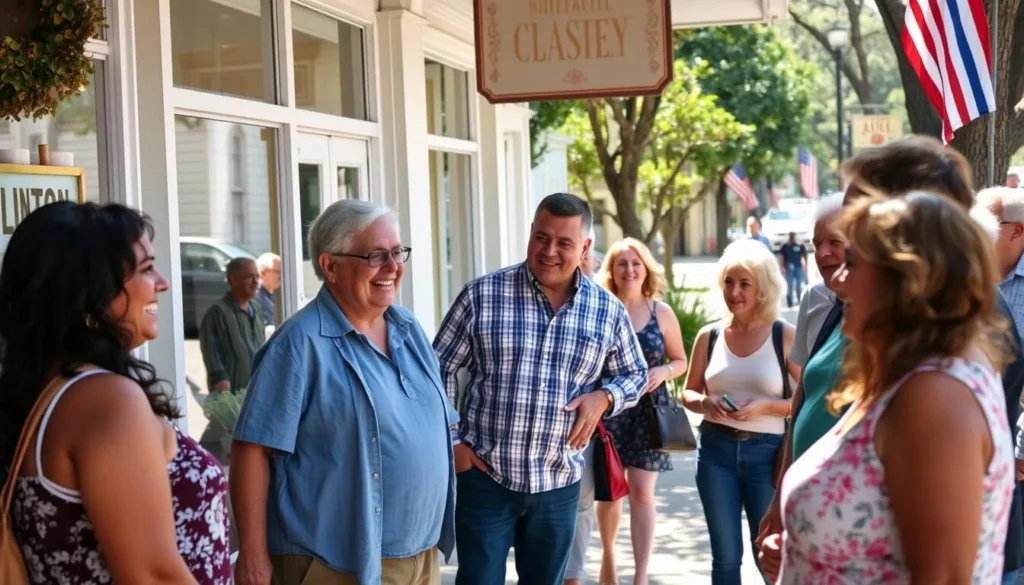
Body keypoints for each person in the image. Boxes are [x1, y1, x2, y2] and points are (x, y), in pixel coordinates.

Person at [759, 135, 1024, 585]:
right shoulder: (907, 368)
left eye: (855, 257)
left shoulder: (935, 394)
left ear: (907, 272)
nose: (837, 276)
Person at [0, 202, 230, 584]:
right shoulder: (106, 400)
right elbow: (153, 576)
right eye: (144, 270)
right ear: (89, 295)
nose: (162, 282)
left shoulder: (47, 390)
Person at [230, 200, 458, 585]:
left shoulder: (408, 328)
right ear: (330, 265)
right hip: (334, 564)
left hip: (421, 556)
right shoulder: (299, 345)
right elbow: (252, 450)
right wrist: (252, 554)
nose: (393, 267)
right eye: (375, 255)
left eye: (397, 252)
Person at [434, 193, 648, 585]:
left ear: (584, 248)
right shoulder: (482, 295)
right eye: (540, 237)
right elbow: (439, 367)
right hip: (485, 479)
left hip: (558, 483)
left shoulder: (607, 310)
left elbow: (635, 375)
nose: (549, 251)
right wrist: (451, 440)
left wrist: (604, 397)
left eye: (564, 243)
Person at [680, 239, 799, 585]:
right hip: (715, 452)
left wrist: (766, 406)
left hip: (768, 454)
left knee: (769, 555)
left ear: (762, 286)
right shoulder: (710, 335)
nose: (734, 292)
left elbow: (809, 399)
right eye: (729, 282)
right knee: (725, 558)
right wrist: (706, 403)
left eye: (744, 283)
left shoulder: (784, 336)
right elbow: (688, 391)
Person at [753, 194, 847, 556]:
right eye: (816, 244)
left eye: (835, 242)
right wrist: (781, 492)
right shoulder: (818, 299)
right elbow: (803, 392)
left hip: (846, 503)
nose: (823, 253)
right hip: (805, 492)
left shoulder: (890, 321)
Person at [593, 238, 689, 585]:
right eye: (622, 264)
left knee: (643, 493)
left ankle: (641, 576)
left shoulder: (660, 312)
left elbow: (680, 361)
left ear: (645, 268)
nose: (630, 270)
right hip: (611, 413)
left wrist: (664, 371)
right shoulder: (602, 308)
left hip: (650, 414)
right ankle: (608, 561)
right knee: (612, 492)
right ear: (612, 271)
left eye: (636, 264)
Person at [198, 257, 267, 393]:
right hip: (232, 393)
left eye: (257, 277)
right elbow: (210, 350)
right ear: (233, 280)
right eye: (249, 277)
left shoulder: (257, 308)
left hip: (257, 389)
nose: (255, 282)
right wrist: (220, 378)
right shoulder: (217, 312)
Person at [778, 232, 807, 308]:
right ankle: (789, 302)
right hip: (788, 268)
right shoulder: (785, 246)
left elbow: (803, 256)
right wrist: (781, 266)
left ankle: (800, 301)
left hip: (798, 267)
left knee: (798, 285)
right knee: (790, 286)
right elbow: (781, 256)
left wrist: (804, 264)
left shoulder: (800, 245)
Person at [255, 252, 281, 326]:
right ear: (263, 273)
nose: (281, 276)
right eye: (278, 272)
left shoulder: (274, 294)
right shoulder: (256, 297)